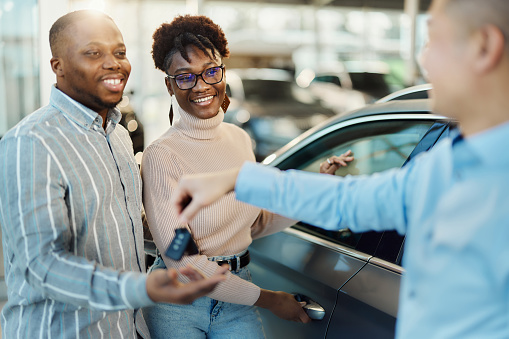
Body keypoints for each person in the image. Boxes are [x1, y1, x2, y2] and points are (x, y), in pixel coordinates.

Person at [170, 0, 509, 338]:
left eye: (434, 40)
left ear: (484, 47)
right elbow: (355, 201)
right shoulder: (454, 160)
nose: (423, 59)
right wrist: (237, 178)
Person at [0, 10, 228, 339]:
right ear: (57, 66)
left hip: (125, 329)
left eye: (119, 53)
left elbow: (123, 221)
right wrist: (145, 287)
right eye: (93, 53)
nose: (113, 63)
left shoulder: (117, 135)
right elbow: (42, 266)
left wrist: (184, 226)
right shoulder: (30, 143)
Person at [140, 15, 351, 339]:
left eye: (211, 71)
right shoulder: (162, 156)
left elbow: (256, 221)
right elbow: (184, 262)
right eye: (185, 77)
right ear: (169, 84)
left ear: (223, 70)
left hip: (237, 296)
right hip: (179, 304)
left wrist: (314, 186)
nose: (202, 86)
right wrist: (269, 300)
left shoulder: (239, 139)